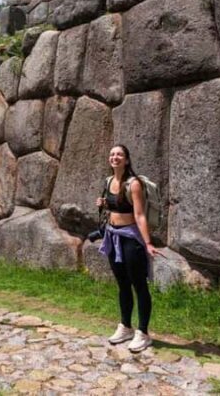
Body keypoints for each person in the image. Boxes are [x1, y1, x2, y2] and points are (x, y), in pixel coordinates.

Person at [96, 144, 159, 352]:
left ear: (127, 160)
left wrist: (148, 243)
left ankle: (143, 332)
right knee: (122, 283)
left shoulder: (134, 184)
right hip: (113, 237)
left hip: (131, 239)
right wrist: (104, 204)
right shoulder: (108, 181)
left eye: (119, 155)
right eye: (112, 154)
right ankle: (125, 326)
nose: (115, 157)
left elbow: (139, 215)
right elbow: (115, 208)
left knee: (138, 284)